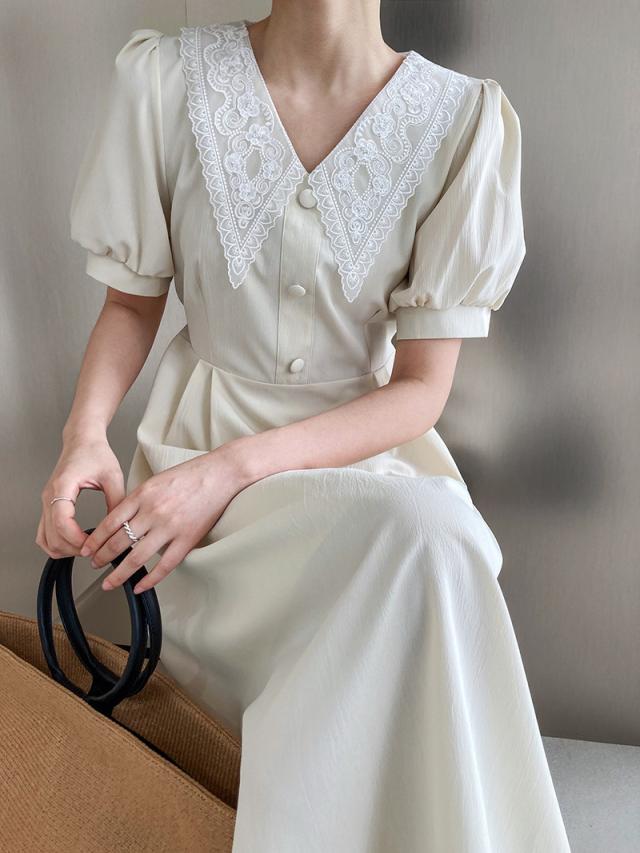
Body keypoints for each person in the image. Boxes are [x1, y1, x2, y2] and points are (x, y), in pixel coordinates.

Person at [37, 4, 571, 851]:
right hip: (194, 481)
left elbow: (421, 388)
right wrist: (84, 436)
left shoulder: (461, 119)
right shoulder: (165, 82)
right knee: (424, 536)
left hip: (361, 467)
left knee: (426, 533)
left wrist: (231, 470)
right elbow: (130, 305)